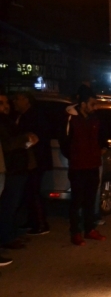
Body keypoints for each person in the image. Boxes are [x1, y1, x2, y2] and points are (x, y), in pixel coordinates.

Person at [58, 86, 108, 246]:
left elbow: (103, 136)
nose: (95, 107)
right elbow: (64, 142)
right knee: (76, 201)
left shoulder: (96, 118)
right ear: (83, 103)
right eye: (92, 104)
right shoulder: (71, 119)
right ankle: (75, 232)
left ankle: (89, 229)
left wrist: (103, 147)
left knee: (90, 200)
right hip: (78, 167)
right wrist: (75, 156)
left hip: (93, 165)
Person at [0, 93, 39, 259]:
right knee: (8, 206)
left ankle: (10, 234)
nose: (6, 106)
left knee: (12, 205)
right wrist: (25, 138)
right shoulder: (2, 121)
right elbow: (7, 144)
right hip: (11, 169)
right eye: (1, 103)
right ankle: (6, 237)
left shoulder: (9, 119)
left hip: (18, 168)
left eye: (6, 102)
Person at [14, 92, 52, 235]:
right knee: (29, 191)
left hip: (35, 160)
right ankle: (33, 221)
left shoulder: (34, 116)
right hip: (30, 160)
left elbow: (37, 138)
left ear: (27, 101)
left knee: (33, 191)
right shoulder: (23, 116)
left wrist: (25, 144)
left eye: (18, 99)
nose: (15, 102)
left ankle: (40, 223)